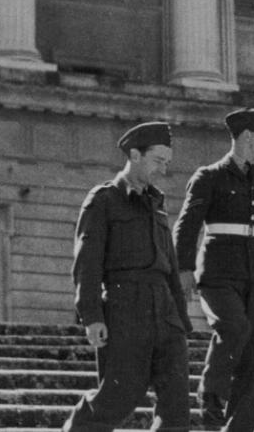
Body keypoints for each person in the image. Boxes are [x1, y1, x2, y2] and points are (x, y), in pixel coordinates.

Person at [173, 106, 254, 432]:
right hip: (218, 274)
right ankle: (212, 392)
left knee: (253, 358)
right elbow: (187, 226)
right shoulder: (209, 177)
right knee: (233, 328)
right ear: (246, 136)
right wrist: (183, 268)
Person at [62, 121, 194, 432]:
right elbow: (87, 262)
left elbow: (171, 268)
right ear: (135, 154)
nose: (163, 170)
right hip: (126, 307)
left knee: (176, 405)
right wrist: (92, 315)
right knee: (119, 396)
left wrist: (181, 320)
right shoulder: (104, 200)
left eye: (166, 162)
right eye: (158, 161)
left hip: (165, 311)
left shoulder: (157, 205)